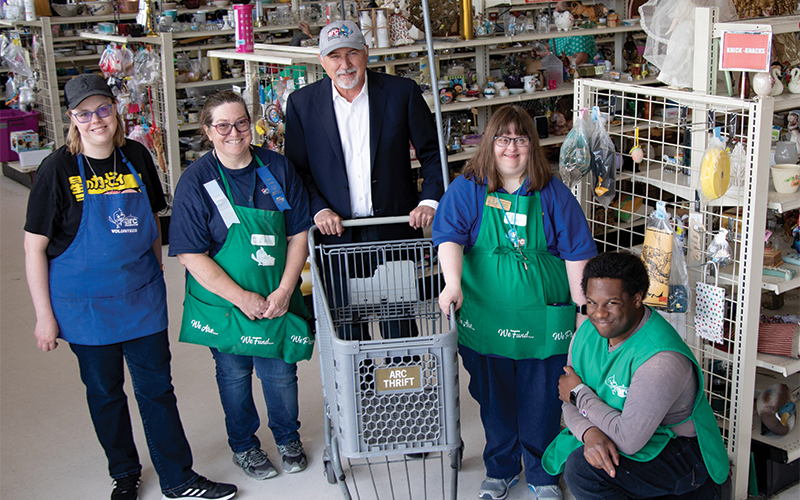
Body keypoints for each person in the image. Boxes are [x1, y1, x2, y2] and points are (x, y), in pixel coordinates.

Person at [23, 74, 237, 500]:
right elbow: (33, 248)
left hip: (140, 297)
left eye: (103, 108)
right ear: (73, 118)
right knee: (105, 393)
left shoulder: (136, 155)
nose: (96, 120)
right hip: (84, 306)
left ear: (115, 108)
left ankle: (178, 478)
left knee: (157, 389)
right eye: (85, 113)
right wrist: (44, 316)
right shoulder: (57, 169)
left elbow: (155, 221)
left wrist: (156, 269)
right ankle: (124, 473)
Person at [433, 105, 597, 500]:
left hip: (543, 320)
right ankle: (501, 467)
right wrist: (452, 283)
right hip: (485, 318)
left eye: (520, 139)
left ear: (532, 147)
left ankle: (542, 473)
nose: (511, 147)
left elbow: (576, 252)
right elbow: (449, 237)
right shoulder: (467, 189)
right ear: (490, 143)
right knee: (494, 397)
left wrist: (581, 310)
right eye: (503, 138)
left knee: (541, 397)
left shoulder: (552, 193)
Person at [169, 91, 315, 483]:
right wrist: (241, 298)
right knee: (233, 373)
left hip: (275, 296)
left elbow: (299, 234)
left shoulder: (277, 169)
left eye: (241, 123)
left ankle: (287, 438)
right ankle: (245, 446)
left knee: (280, 373)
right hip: (225, 301)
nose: (234, 133)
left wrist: (285, 291)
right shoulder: (196, 181)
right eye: (223, 126)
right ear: (207, 131)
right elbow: (190, 254)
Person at [283, 19, 444, 340]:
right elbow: (297, 170)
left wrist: (429, 199)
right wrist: (318, 210)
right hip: (336, 235)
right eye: (334, 56)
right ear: (321, 60)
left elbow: (433, 153)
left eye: (352, 53)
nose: (344, 64)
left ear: (366, 53)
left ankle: (404, 386)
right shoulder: (302, 104)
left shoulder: (401, 93)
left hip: (394, 228)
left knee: (399, 322)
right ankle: (362, 388)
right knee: (347, 327)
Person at [541, 251, 730, 499]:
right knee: (587, 454)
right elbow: (567, 398)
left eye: (611, 303)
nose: (598, 313)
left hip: (680, 451)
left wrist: (579, 395)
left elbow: (627, 439)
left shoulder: (661, 360)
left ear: (637, 299)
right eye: (592, 302)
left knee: (585, 469)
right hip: (623, 432)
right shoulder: (585, 333)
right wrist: (589, 433)